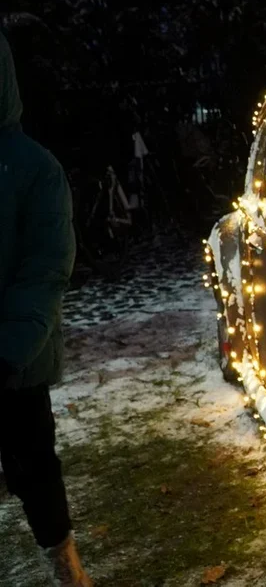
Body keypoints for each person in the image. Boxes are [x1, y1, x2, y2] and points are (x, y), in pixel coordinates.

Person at [0, 31, 93, 586]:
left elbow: (44, 268)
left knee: (33, 470)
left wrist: (7, 352)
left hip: (15, 365)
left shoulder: (33, 168)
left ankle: (68, 571)